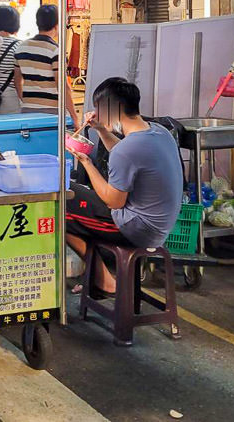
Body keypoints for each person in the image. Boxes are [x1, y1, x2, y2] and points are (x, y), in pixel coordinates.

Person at [66, 78, 183, 293]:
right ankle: (97, 276)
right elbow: (126, 153)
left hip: (139, 229)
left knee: (60, 210)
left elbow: (114, 201)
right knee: (73, 195)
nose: (97, 113)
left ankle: (105, 282)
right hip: (160, 225)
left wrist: (86, 162)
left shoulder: (128, 149)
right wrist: (101, 130)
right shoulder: (158, 132)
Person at [14, 4, 79, 126]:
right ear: (56, 25)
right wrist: (74, 117)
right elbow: (63, 87)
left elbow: (17, 81)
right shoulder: (55, 50)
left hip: (27, 111)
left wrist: (28, 102)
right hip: (52, 114)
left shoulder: (21, 48)